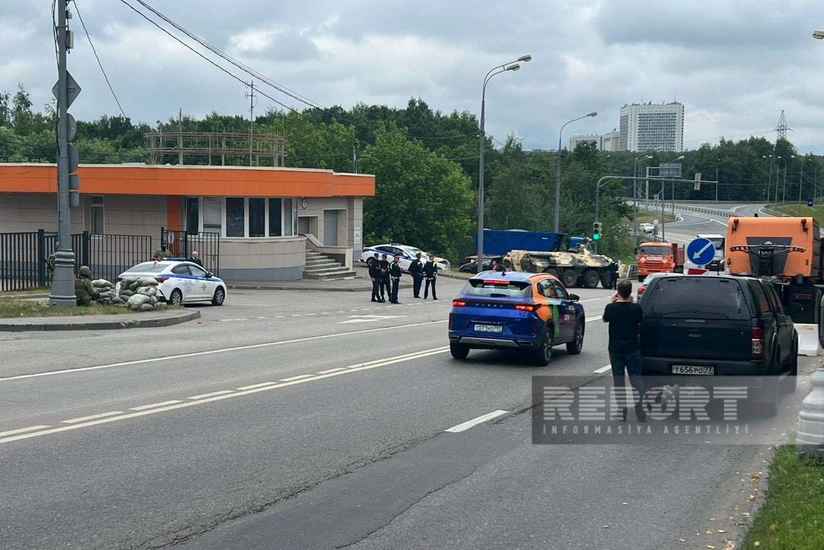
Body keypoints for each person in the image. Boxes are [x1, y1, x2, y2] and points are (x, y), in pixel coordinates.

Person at [602, 279, 646, 422]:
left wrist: (612, 302)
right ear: (630, 292)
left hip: (616, 349)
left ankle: (622, 412)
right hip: (632, 348)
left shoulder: (611, 308)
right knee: (636, 380)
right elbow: (640, 320)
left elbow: (605, 319)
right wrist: (632, 303)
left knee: (619, 381)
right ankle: (641, 413)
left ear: (618, 292)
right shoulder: (636, 308)